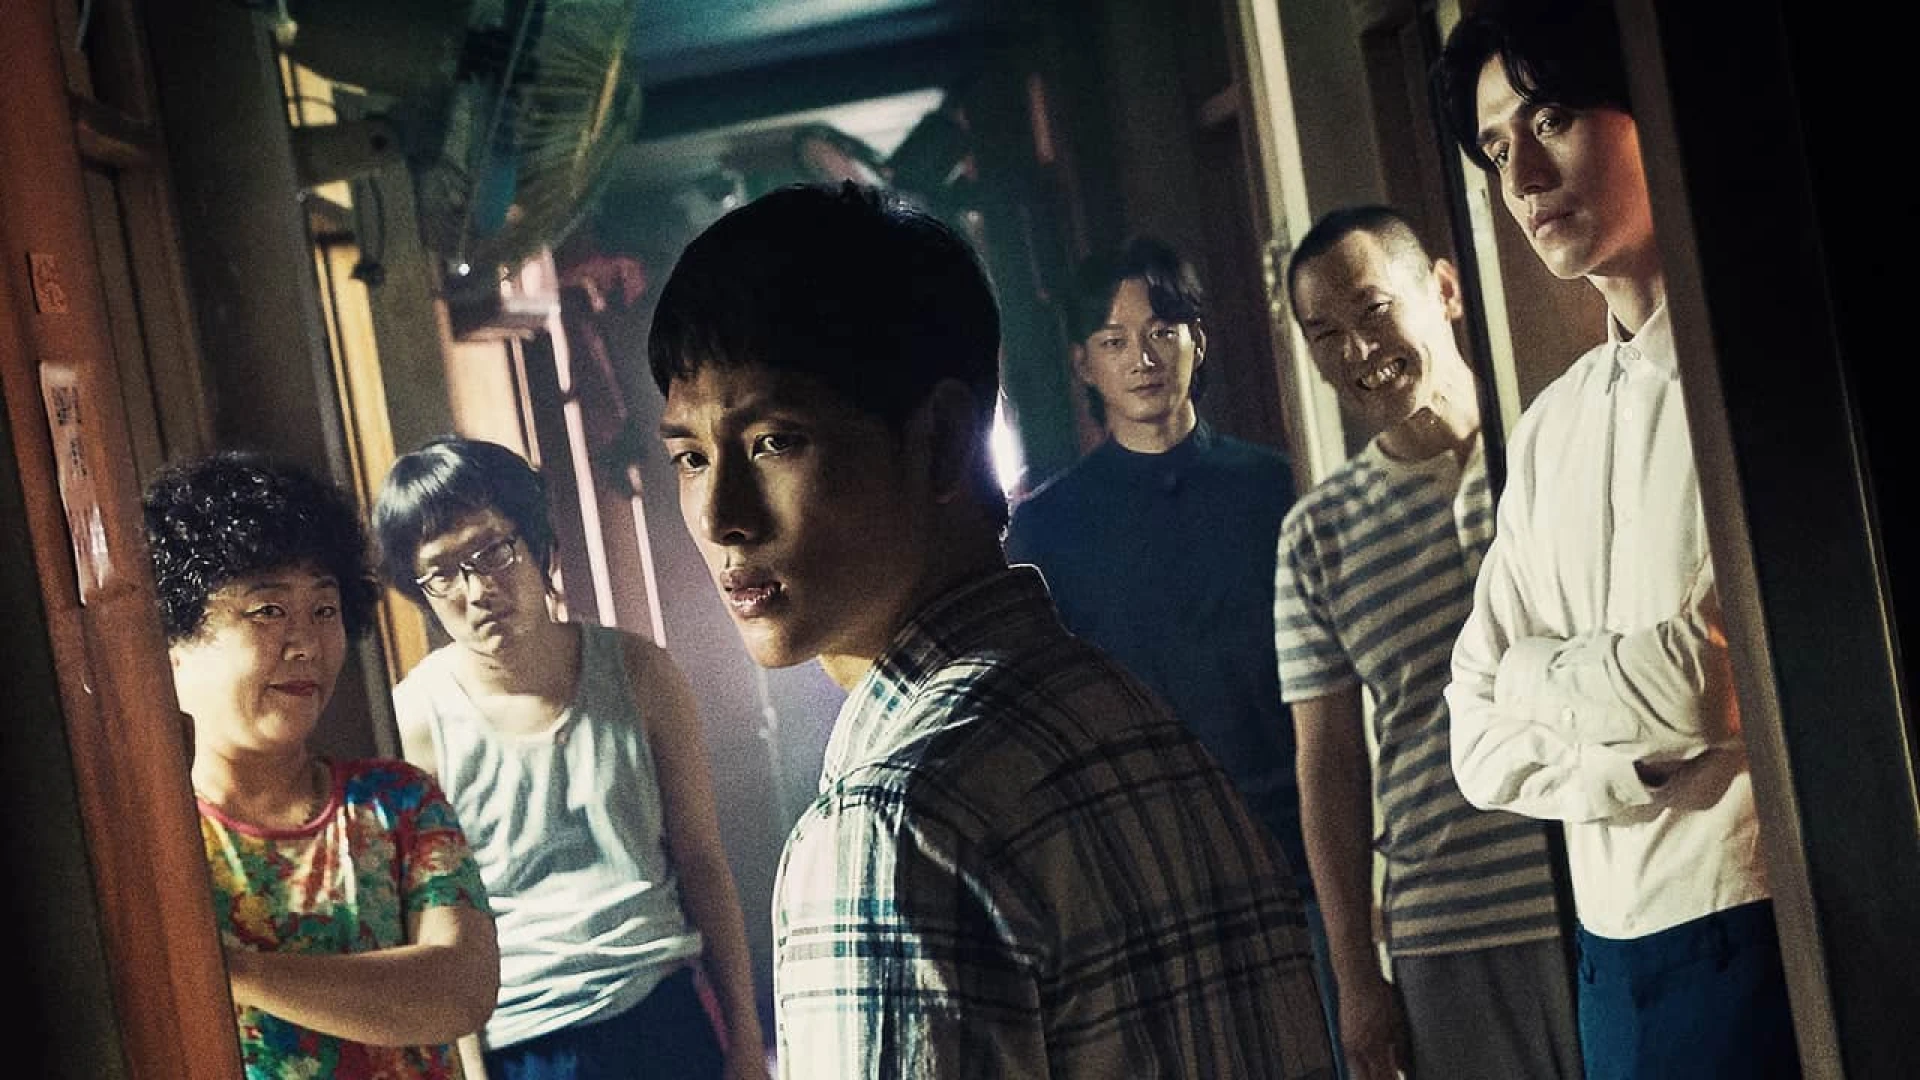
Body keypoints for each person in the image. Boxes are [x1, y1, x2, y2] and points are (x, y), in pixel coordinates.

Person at [648, 180, 1335, 1079]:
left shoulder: (888, 827)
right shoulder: (1126, 716)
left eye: (774, 441)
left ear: (939, 440)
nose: (720, 516)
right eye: (691, 457)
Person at [1435, 2, 1799, 1077]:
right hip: (1604, 960)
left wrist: (1539, 677)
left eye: (1550, 119)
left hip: (1754, 922)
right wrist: (1633, 758)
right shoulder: (1550, 426)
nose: (1524, 177)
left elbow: (1709, 682)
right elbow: (1475, 736)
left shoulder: (1759, 370)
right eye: (1496, 148)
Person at [1002, 235, 1339, 1065]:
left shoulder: (1278, 488)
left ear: (1199, 338)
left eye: (1162, 331)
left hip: (1292, 854)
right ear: (1084, 364)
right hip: (1143, 875)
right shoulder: (1047, 531)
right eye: (1114, 340)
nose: (1143, 359)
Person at [1278, 204, 1581, 1080]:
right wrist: (1355, 978)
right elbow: (1329, 770)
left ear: (1444, 289)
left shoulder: (1549, 450)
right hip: (1443, 934)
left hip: (1598, 882)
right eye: (1325, 334)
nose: (1357, 350)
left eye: (1373, 310)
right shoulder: (1316, 535)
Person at [371, 436, 771, 1080]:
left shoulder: (640, 672)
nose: (477, 589)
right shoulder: (414, 722)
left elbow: (702, 862)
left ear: (537, 545)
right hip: (522, 1039)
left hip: (661, 1009)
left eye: (493, 551)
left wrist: (747, 1043)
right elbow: (433, 926)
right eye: (443, 572)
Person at [143, 450, 499, 1079]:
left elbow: (460, 988)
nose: (306, 643)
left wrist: (233, 970)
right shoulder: (155, 848)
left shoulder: (397, 802)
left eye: (325, 610)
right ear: (174, 648)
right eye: (268, 611)